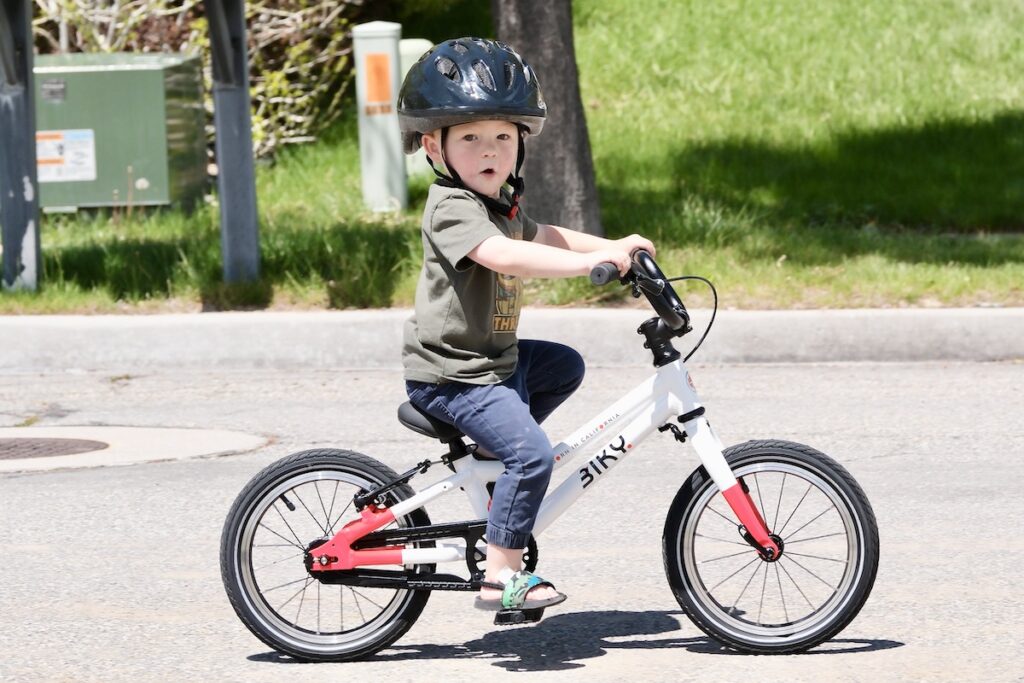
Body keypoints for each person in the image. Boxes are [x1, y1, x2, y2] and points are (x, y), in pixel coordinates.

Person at [397, 37, 655, 613]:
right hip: (454, 376)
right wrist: (589, 266)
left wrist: (614, 246)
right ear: (434, 147)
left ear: (520, 145)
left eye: (503, 137)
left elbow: (543, 236)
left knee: (563, 366)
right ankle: (502, 577)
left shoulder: (500, 205)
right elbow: (505, 255)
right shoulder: (452, 206)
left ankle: (497, 465)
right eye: (470, 138)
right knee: (532, 456)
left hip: (493, 362)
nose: (489, 150)